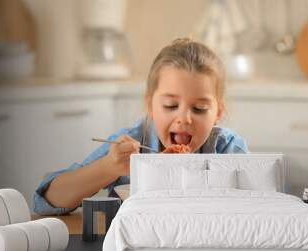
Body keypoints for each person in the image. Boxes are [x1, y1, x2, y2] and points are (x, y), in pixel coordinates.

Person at [34, 38, 248, 215]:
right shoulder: (132, 142)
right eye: (170, 105)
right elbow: (45, 202)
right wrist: (110, 166)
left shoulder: (226, 148)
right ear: (150, 106)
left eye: (199, 108)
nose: (184, 118)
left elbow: (260, 207)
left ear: (218, 113)